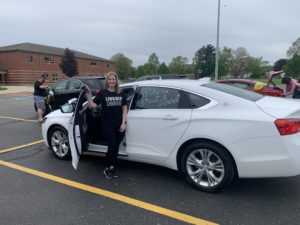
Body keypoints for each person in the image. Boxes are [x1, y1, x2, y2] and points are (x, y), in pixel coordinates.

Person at [85, 71, 127, 179]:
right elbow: (92, 106)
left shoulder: (121, 93)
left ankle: (112, 167)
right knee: (112, 146)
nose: (112, 81)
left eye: (113, 79)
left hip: (119, 125)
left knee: (116, 147)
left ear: (116, 81)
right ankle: (107, 168)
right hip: (107, 125)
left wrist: (123, 123)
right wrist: (89, 94)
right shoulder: (103, 93)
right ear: (107, 81)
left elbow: (124, 109)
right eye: (110, 79)